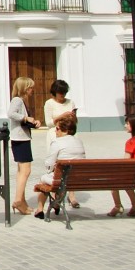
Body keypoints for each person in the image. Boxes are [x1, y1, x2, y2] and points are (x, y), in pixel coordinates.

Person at [33, 112, 86, 219]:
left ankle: (39, 209)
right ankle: (56, 204)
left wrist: (50, 169)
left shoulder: (57, 142)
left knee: (44, 179)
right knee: (61, 179)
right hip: (78, 179)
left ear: (65, 130)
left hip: (62, 179)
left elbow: (49, 164)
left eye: (57, 129)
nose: (55, 131)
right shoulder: (79, 141)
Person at [8, 77, 42, 214]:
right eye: (30, 87)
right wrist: (25, 118)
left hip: (21, 138)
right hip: (20, 139)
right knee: (26, 170)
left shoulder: (22, 101)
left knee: (21, 171)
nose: (32, 90)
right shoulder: (17, 100)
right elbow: (11, 114)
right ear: (25, 88)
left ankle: (22, 201)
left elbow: (23, 119)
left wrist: (33, 122)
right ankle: (17, 200)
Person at [43, 79, 79, 207]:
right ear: (55, 92)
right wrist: (62, 116)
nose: (62, 95)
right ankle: (55, 194)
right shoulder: (49, 103)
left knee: (71, 163)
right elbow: (48, 123)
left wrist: (73, 117)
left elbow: (75, 121)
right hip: (55, 135)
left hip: (69, 135)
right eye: (60, 92)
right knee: (55, 164)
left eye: (64, 92)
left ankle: (72, 195)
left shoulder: (71, 102)